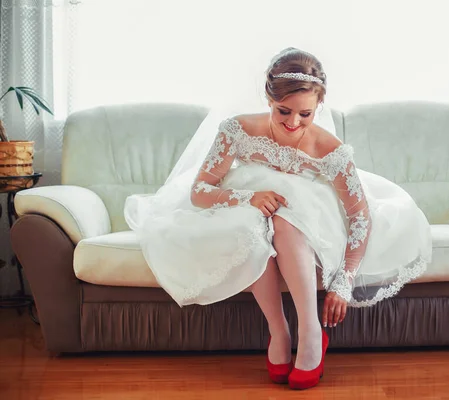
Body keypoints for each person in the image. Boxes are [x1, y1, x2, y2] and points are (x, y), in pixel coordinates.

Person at [124, 47, 432, 390]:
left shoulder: (329, 150)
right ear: (268, 99)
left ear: (318, 107)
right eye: (283, 111)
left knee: (284, 218)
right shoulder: (237, 130)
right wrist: (248, 198)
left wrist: (344, 281)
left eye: (306, 114)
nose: (293, 123)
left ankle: (311, 331)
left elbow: (359, 213)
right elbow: (200, 191)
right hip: (250, 206)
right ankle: (279, 330)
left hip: (309, 215)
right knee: (250, 223)